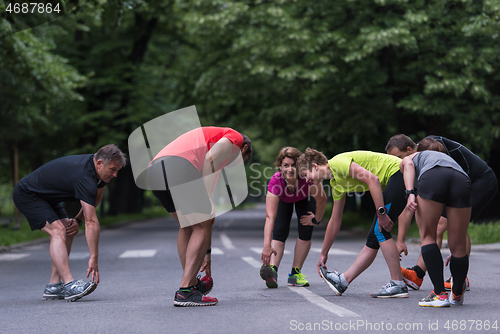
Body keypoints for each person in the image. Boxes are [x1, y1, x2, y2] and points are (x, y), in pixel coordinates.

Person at [147, 126, 252, 307]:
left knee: (188, 225)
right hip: (179, 166)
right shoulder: (235, 137)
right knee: (199, 224)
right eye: (240, 161)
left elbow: (208, 219)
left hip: (156, 169)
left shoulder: (214, 166)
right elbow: (209, 159)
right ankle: (186, 290)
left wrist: (207, 253)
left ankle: (191, 284)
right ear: (243, 149)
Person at [12, 144, 126, 302]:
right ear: (99, 163)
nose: (115, 175)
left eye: (117, 170)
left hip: (46, 198)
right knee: (58, 230)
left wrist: (77, 220)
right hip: (28, 194)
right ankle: (69, 284)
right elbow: (92, 221)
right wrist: (94, 257)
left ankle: (53, 286)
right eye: (113, 169)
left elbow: (96, 198)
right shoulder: (85, 176)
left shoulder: (98, 173)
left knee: (69, 230)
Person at [386, 134, 498, 291]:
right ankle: (418, 274)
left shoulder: (433, 146)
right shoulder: (419, 162)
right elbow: (410, 204)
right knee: (437, 225)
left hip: (481, 181)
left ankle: (457, 277)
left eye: (399, 157)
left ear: (410, 149)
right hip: (458, 182)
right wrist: (400, 240)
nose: (398, 162)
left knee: (449, 225)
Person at [297, 148, 410, 298]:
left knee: (379, 231)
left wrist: (381, 213)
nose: (306, 180)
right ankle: (342, 281)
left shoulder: (337, 163)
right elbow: (335, 220)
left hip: (399, 173)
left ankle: (398, 284)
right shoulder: (336, 184)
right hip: (394, 179)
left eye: (305, 174)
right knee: (373, 238)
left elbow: (372, 179)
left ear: (315, 166)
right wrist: (324, 253)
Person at [399, 148, 472, 307]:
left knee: (427, 236)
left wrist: (410, 192)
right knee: (458, 245)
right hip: (462, 179)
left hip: (433, 177)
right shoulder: (443, 158)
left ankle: (439, 294)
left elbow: (408, 164)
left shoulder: (409, 158)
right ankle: (457, 294)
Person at [260, 147, 327, 288]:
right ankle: (272, 271)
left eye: (293, 165)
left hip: (304, 198)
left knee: (306, 230)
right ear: (280, 167)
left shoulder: (307, 178)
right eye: (285, 165)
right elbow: (269, 217)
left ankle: (295, 274)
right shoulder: (276, 181)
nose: (290, 169)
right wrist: (266, 246)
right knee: (280, 231)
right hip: (284, 200)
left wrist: (316, 220)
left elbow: (322, 200)